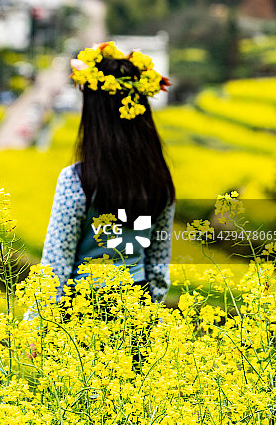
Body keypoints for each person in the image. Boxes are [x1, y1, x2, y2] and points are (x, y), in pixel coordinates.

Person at [26, 41, 175, 321]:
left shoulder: (77, 181)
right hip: (138, 310)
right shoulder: (159, 182)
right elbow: (158, 265)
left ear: (96, 118)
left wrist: (34, 328)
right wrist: (149, 321)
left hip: (81, 311)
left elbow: (56, 264)